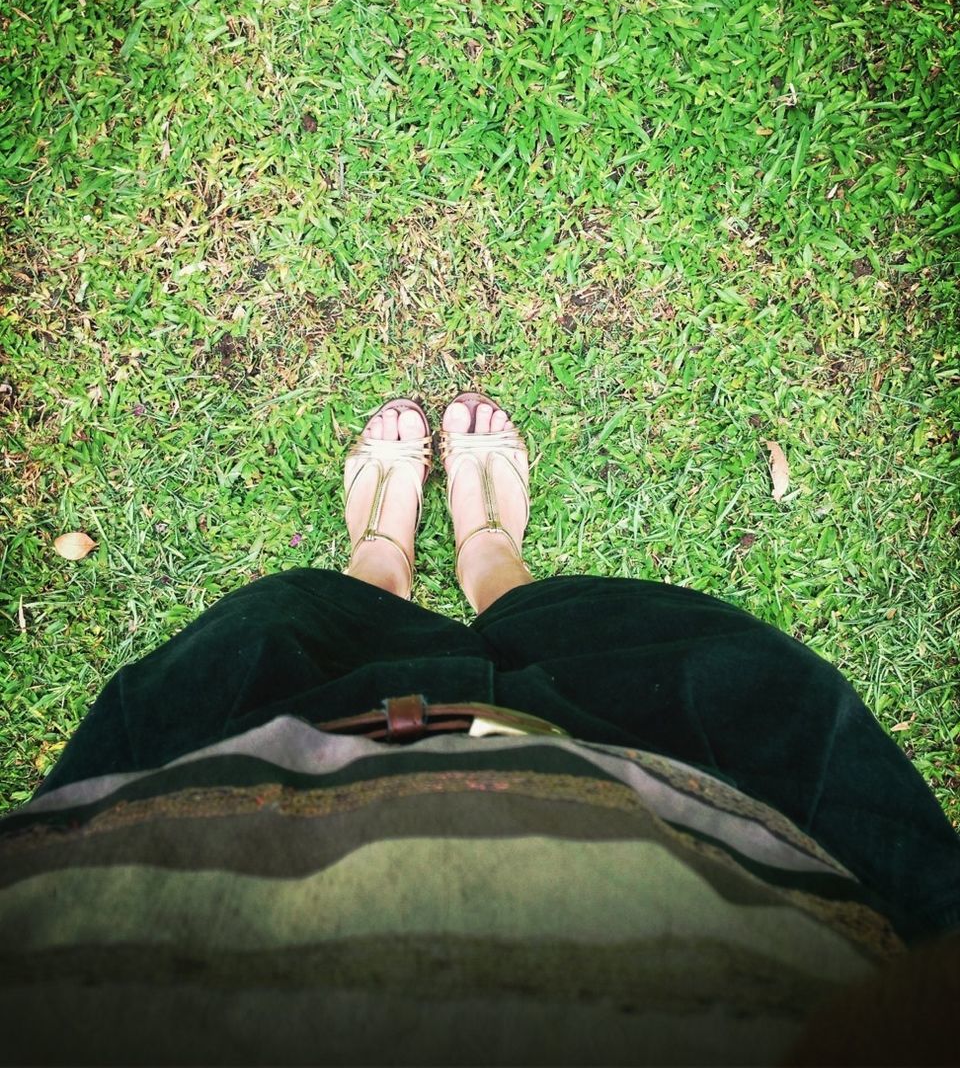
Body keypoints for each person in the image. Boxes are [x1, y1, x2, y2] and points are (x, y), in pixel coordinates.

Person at [1, 390, 958, 1066]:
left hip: (138, 890)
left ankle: (382, 568)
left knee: (276, 642)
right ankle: (495, 566)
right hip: (717, 857)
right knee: (669, 669)